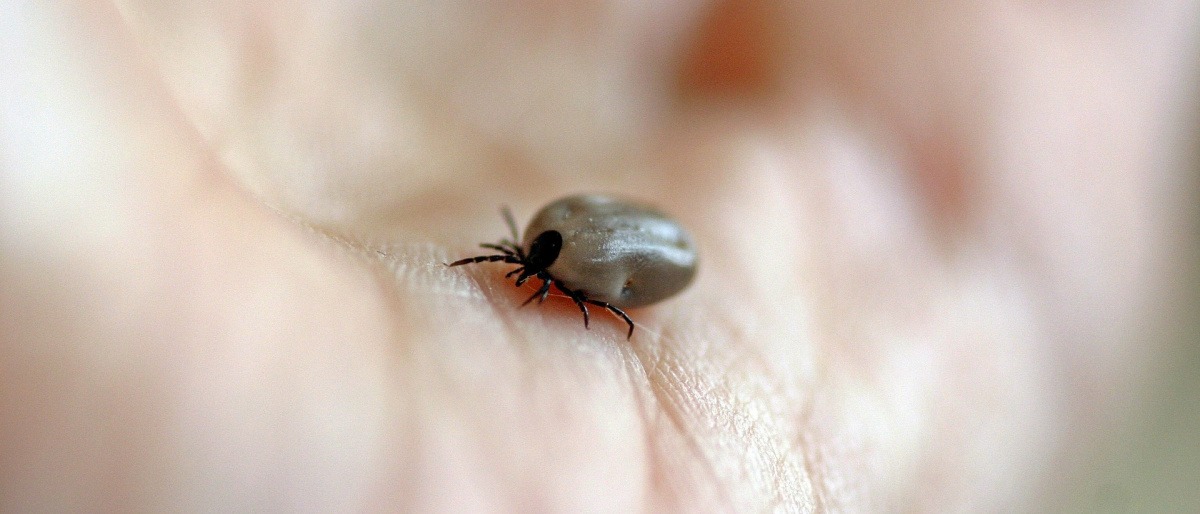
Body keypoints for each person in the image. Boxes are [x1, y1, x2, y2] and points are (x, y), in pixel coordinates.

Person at [2, 1, 1195, 511]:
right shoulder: (562, 254)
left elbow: (600, 264)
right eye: (533, 273)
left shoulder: (568, 253)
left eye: (532, 274)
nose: (526, 283)